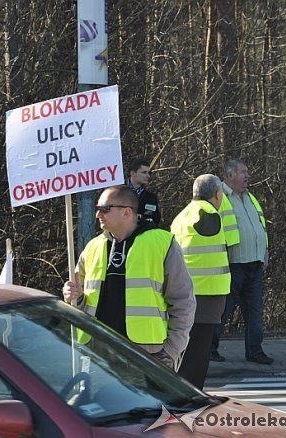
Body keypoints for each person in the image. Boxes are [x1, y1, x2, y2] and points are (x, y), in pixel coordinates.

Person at [63, 185, 195, 370]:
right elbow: (79, 300)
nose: (98, 215)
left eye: (105, 209)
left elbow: (183, 301)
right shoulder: (93, 247)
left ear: (127, 212)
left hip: (147, 354)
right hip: (97, 354)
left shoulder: (162, 244)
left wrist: (172, 350)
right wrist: (72, 295)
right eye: (98, 209)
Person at [171, 174, 230, 389]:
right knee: (198, 353)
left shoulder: (181, 216)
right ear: (216, 194)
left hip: (184, 292)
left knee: (186, 348)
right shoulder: (207, 212)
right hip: (207, 294)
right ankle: (191, 394)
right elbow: (208, 226)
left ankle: (182, 390)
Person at [211, 159, 273, 365]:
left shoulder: (250, 198)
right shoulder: (218, 196)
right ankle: (210, 349)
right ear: (230, 176)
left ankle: (254, 352)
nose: (247, 176)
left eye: (247, 172)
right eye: (243, 172)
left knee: (255, 312)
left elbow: (260, 227)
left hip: (254, 264)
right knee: (223, 310)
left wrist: (264, 253)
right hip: (232, 264)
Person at [125, 158, 161, 226]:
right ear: (132, 173)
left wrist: (142, 218)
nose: (148, 176)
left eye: (149, 173)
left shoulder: (151, 197)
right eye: (144, 172)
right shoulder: (117, 193)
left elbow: (155, 219)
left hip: (143, 233)